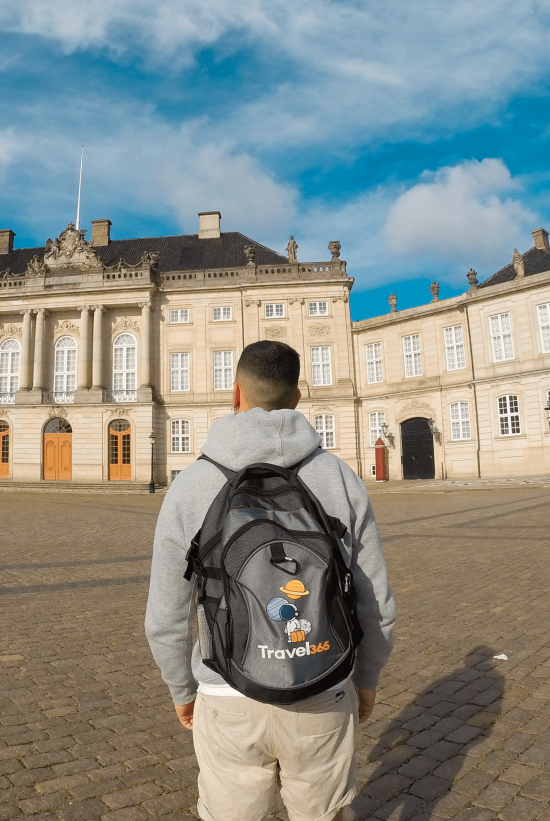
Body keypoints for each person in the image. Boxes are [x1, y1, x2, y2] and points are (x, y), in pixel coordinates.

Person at [145, 340, 396, 821]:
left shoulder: (192, 483)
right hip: (324, 683)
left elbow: (165, 614)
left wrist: (182, 688)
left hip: (226, 688)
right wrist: (367, 678)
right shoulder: (338, 477)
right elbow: (376, 601)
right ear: (298, 399)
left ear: (234, 393)